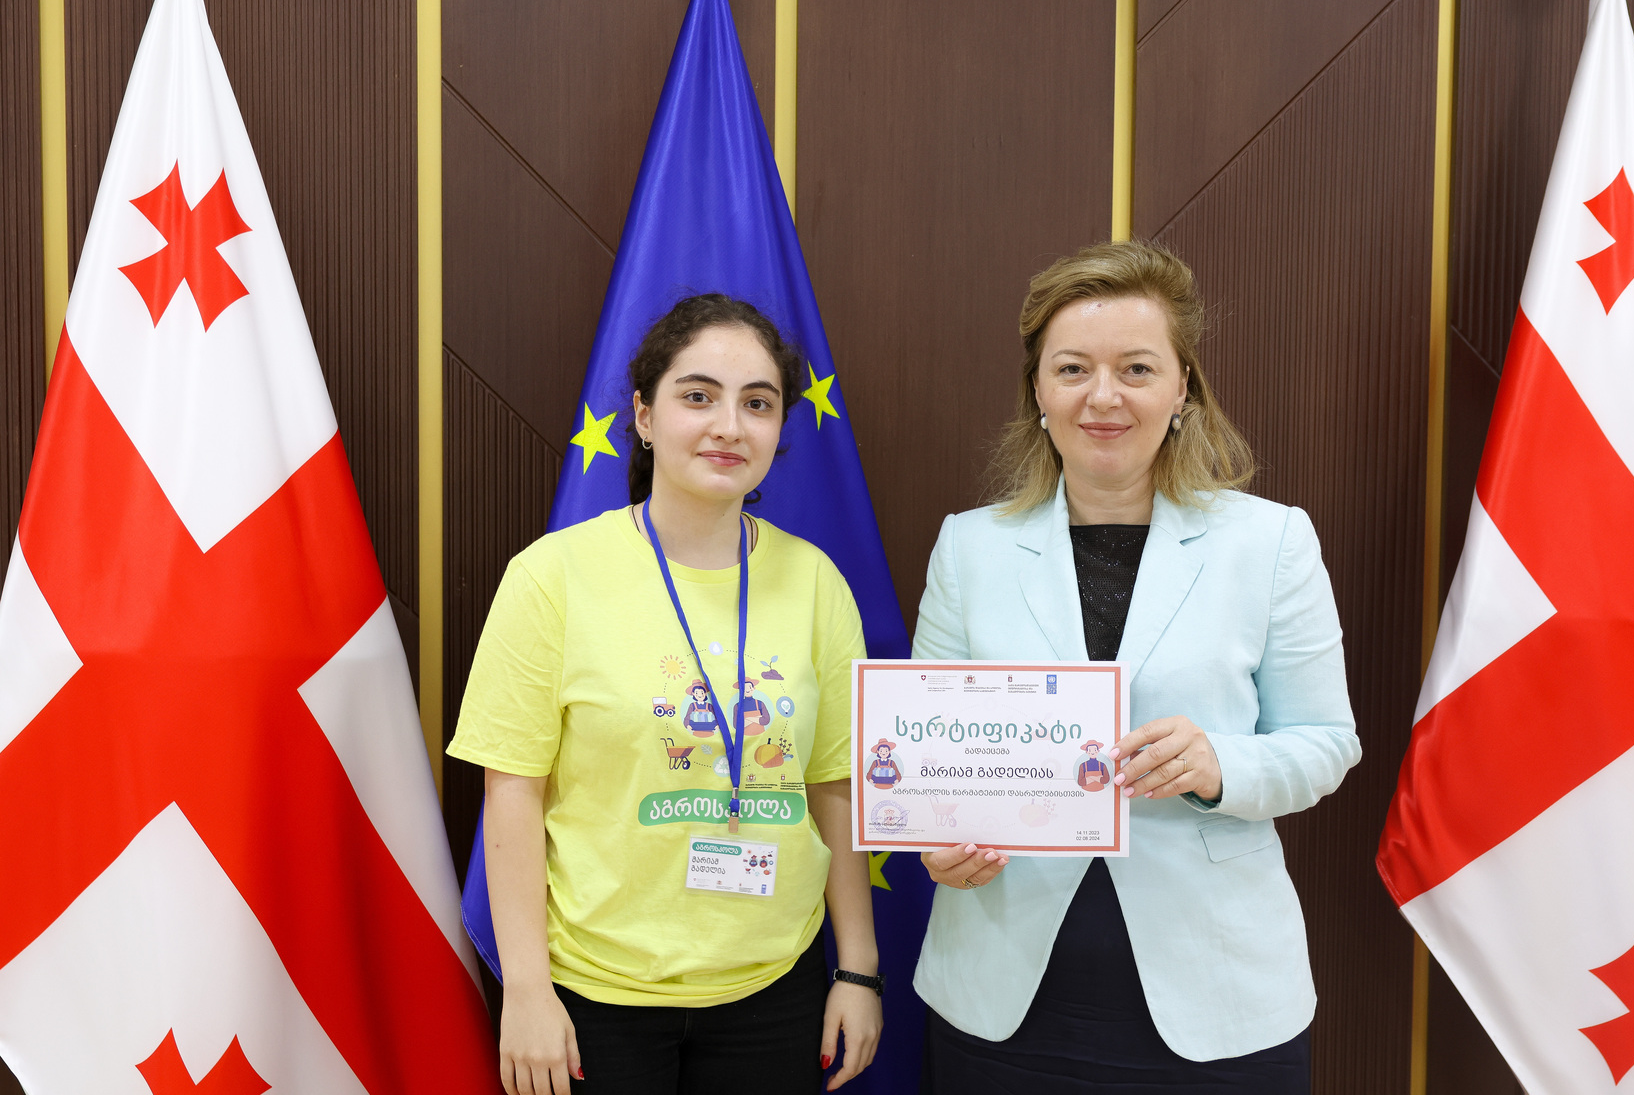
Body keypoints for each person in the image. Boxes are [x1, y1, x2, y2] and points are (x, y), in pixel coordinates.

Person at [911, 241, 1360, 1093]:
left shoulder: (1270, 542)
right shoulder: (968, 548)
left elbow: (1326, 741)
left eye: (1137, 369)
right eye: (1072, 369)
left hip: (1219, 994)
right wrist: (937, 839)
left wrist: (1220, 765)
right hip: (1002, 990)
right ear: (1039, 391)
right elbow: (929, 755)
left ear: (1182, 387)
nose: (1103, 396)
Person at [448, 294, 883, 1095]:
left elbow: (833, 784)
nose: (729, 426)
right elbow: (512, 791)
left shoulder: (816, 582)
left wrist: (858, 968)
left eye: (758, 403)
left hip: (774, 986)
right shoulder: (551, 577)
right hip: (594, 994)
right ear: (645, 416)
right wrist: (528, 990)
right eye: (698, 396)